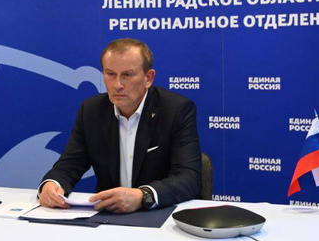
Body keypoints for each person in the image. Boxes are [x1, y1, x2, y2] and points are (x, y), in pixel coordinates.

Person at [39, 38, 202, 213]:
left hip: (159, 214)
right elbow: (70, 164)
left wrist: (143, 196)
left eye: (127, 75)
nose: (117, 85)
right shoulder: (91, 110)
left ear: (148, 78)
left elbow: (189, 177)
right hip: (107, 216)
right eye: (110, 74)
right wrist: (52, 184)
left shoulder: (176, 109)